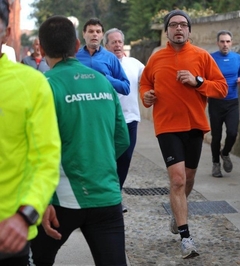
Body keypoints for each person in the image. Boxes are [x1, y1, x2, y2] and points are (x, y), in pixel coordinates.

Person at [29, 15, 130, 266]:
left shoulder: (43, 86)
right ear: (76, 45)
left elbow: (34, 148)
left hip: (60, 200)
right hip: (106, 196)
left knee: (35, 260)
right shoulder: (103, 83)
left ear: (41, 48)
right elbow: (122, 139)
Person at [139, 10, 227, 259]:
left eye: (183, 25)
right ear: (166, 31)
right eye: (174, 25)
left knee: (188, 180)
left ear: (189, 30)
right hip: (167, 127)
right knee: (177, 180)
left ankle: (178, 215)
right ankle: (186, 237)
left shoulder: (202, 56)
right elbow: (145, 84)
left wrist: (197, 81)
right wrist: (147, 96)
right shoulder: (156, 58)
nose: (178, 28)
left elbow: (221, 88)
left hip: (195, 126)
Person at [0, 1, 61, 264]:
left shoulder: (31, 84)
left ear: (6, 31)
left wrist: (26, 214)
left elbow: (46, 160)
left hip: (8, 233)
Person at [104, 28, 145, 213]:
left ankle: (115, 197)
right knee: (107, 160)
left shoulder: (134, 64)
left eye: (120, 41)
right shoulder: (100, 65)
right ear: (106, 46)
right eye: (113, 42)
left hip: (130, 119)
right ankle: (105, 198)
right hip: (106, 121)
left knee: (125, 158)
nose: (117, 45)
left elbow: (149, 80)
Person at [209, 30, 240, 177]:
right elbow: (205, 77)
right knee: (216, 136)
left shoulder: (237, 58)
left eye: (228, 41)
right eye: (222, 41)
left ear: (232, 43)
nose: (225, 44)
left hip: (232, 102)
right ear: (218, 43)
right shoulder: (211, 58)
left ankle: (225, 153)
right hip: (216, 102)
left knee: (232, 132)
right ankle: (216, 164)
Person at [76, 18, 130, 96]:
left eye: (98, 32)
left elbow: (126, 88)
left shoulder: (111, 58)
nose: (95, 34)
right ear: (84, 34)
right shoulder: (75, 56)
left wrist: (106, 78)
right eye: (91, 31)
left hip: (104, 105)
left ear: (102, 35)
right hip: (81, 105)